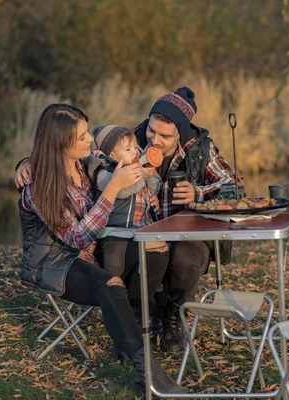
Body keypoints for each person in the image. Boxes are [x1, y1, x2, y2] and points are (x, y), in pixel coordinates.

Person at [17, 103, 186, 394]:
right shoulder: (39, 186)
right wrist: (112, 188)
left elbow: (111, 154)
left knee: (156, 249)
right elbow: (78, 239)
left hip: (91, 253)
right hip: (56, 264)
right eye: (82, 136)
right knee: (109, 283)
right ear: (62, 142)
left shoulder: (84, 162)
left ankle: (130, 332)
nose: (90, 140)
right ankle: (148, 374)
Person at [134, 87, 242, 352]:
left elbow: (235, 188)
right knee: (144, 253)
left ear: (180, 133)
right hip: (144, 231)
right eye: (152, 130)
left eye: (164, 135)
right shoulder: (132, 141)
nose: (155, 140)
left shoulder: (201, 148)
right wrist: (26, 164)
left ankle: (173, 315)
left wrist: (198, 192)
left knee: (185, 257)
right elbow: (91, 158)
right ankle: (145, 314)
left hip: (190, 233)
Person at [87, 124, 168, 312]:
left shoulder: (136, 168)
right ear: (113, 156)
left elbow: (154, 186)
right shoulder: (104, 172)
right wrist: (142, 175)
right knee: (114, 269)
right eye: (128, 149)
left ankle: (141, 302)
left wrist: (150, 171)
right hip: (113, 232)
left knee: (145, 264)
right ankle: (112, 301)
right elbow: (123, 191)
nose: (134, 152)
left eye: (135, 148)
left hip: (138, 230)